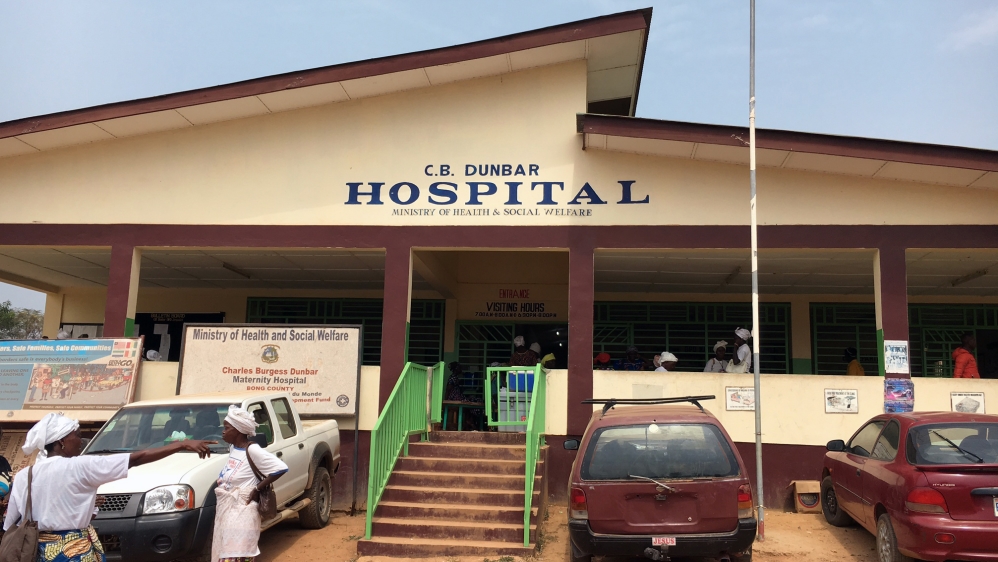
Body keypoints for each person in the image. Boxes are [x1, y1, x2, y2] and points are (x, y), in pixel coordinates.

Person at [3, 413, 213, 562]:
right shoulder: (80, 466)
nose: (81, 440)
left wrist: (82, 506)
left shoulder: (24, 475)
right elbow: (136, 458)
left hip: (37, 552)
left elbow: (11, 522)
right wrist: (181, 445)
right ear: (61, 442)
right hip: (74, 551)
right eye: (76, 435)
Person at [213, 405, 289, 562]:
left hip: (243, 509)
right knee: (226, 552)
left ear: (239, 430)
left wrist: (257, 488)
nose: (223, 431)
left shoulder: (253, 449)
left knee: (237, 554)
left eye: (227, 428)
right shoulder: (234, 448)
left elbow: (281, 468)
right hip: (228, 510)